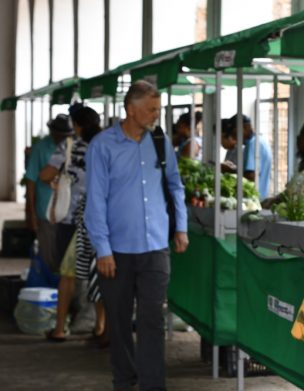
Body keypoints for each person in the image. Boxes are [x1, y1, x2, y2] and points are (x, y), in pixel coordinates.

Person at [84, 80, 189, 391]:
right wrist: (102, 249)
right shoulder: (102, 146)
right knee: (118, 323)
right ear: (131, 109)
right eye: (151, 109)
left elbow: (175, 185)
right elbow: (95, 200)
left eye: (157, 108)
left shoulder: (159, 141)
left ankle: (153, 385)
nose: (156, 114)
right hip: (115, 252)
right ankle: (125, 380)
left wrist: (180, 227)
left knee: (152, 321)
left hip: (156, 246)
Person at [42, 106, 103, 343]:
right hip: (100, 219)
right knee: (100, 272)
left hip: (71, 217)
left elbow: (45, 175)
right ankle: (100, 327)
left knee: (67, 276)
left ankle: (59, 329)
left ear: (76, 126)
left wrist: (60, 176)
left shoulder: (68, 146)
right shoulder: (106, 146)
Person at [24, 114, 72, 271]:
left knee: (66, 259)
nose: (62, 137)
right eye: (59, 134)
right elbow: (31, 181)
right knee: (49, 257)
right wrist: (30, 213)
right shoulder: (41, 148)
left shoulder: (72, 147)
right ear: (52, 132)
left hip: (68, 213)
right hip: (46, 211)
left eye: (65, 135)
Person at [261, 119, 304, 209]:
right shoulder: (302, 163)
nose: (298, 137)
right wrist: (274, 200)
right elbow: (292, 191)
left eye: (303, 133)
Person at [222, 114, 272, 199]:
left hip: (254, 198)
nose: (235, 138)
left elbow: (251, 176)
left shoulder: (252, 144)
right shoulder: (261, 140)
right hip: (261, 195)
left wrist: (230, 171)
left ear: (245, 127)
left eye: (235, 134)